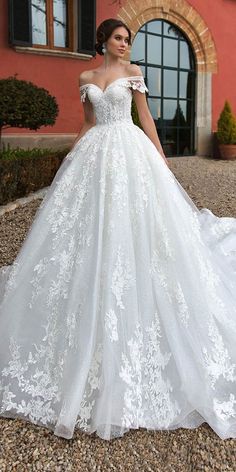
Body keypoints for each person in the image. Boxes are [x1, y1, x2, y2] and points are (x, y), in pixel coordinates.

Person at [0, 17, 236, 442]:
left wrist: (161, 162)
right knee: (82, 236)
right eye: (119, 38)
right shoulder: (86, 75)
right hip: (95, 155)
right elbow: (90, 122)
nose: (125, 44)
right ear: (103, 41)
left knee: (144, 234)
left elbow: (145, 118)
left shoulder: (133, 74)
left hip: (130, 154)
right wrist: (70, 157)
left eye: (129, 39)